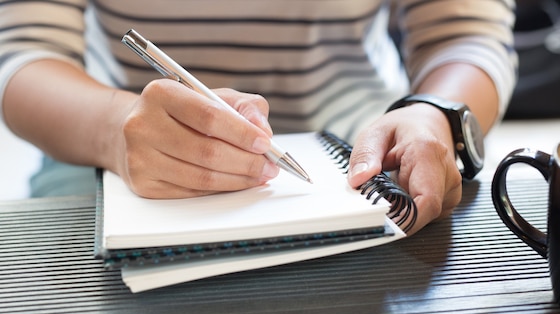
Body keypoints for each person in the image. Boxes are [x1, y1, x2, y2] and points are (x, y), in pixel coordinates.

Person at [0, 1, 517, 236]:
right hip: (114, 139)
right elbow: (24, 54)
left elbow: (465, 34)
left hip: (366, 143)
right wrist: (113, 129)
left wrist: (433, 114)